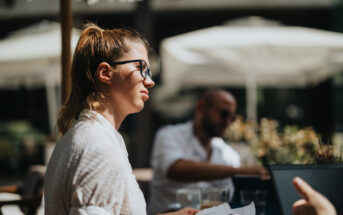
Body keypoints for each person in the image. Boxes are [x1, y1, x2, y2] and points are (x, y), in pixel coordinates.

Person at [44, 24, 199, 215]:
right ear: (106, 73)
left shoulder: (88, 135)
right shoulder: (97, 145)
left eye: (149, 72)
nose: (150, 81)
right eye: (140, 67)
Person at [148, 89, 269, 215]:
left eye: (231, 118)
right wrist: (238, 171)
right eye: (224, 114)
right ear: (201, 107)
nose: (227, 122)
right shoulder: (169, 135)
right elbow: (176, 169)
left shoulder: (227, 153)